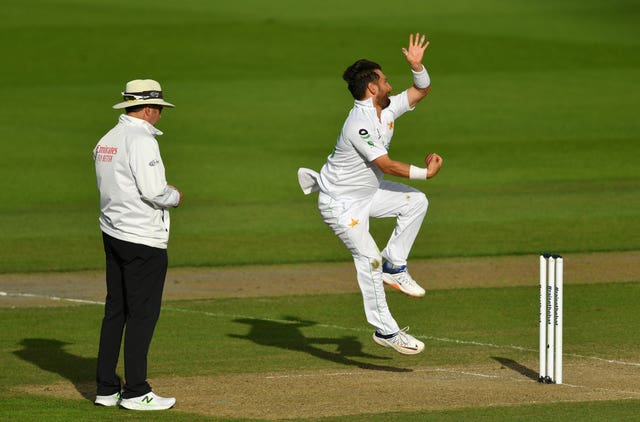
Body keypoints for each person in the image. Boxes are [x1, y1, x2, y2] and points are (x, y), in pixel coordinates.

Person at [297, 33, 443, 355]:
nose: (391, 86)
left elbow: (421, 90)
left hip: (368, 193)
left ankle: (396, 265)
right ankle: (386, 331)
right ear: (372, 88)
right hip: (341, 204)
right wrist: (426, 173)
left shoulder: (386, 111)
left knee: (416, 201)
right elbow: (386, 164)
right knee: (368, 258)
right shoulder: (358, 124)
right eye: (386, 81)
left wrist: (417, 66)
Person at [93, 79, 182, 410]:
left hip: (113, 232)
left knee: (116, 311)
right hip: (142, 238)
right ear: (147, 108)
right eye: (158, 109)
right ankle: (135, 391)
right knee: (142, 315)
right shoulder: (141, 139)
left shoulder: (108, 139)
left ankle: (105, 388)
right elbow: (154, 191)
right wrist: (175, 195)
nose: (160, 114)